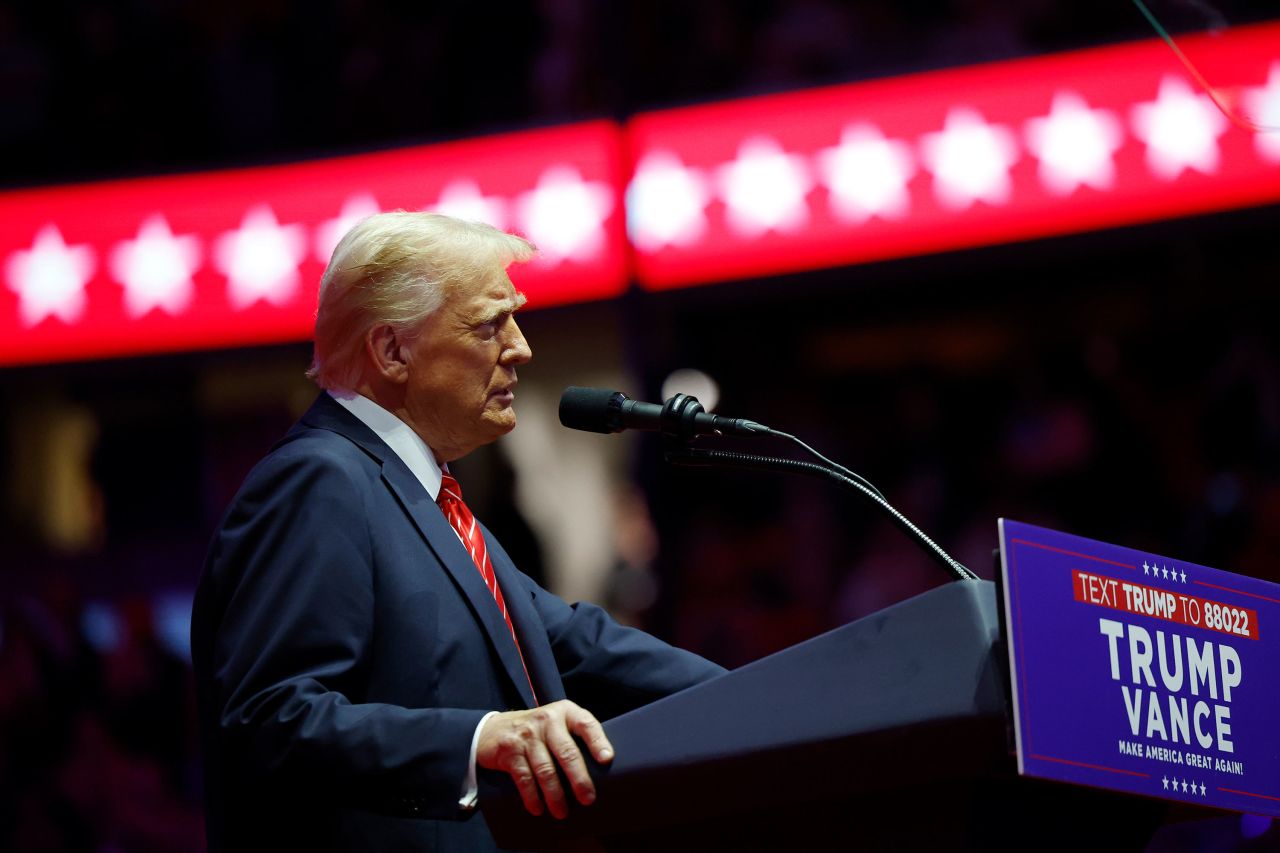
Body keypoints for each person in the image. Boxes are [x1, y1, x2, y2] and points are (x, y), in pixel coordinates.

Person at [190, 212, 726, 852]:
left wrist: (767, 691)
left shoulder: (422, 496)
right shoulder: (320, 478)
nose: (522, 347)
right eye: (490, 324)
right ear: (392, 351)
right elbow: (270, 718)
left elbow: (576, 642)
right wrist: (476, 740)